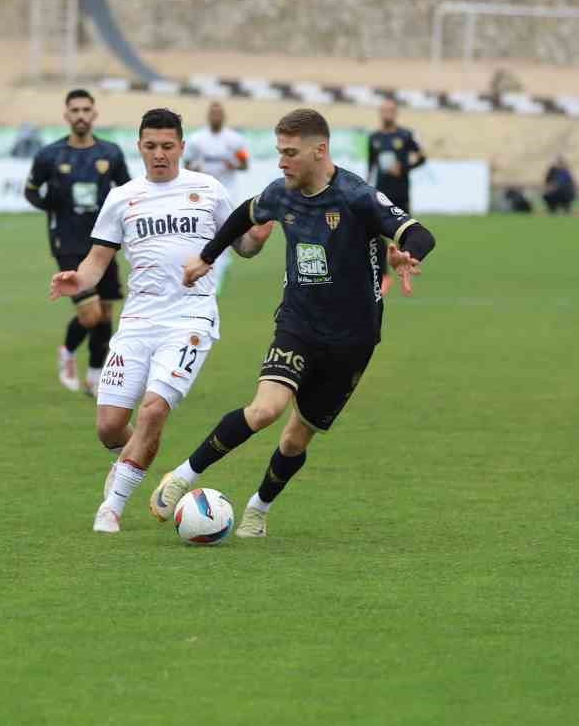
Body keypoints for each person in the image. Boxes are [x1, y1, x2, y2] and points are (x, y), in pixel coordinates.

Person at [151, 108, 437, 538]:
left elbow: (419, 234)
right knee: (265, 409)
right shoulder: (280, 193)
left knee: (294, 441)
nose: (281, 162)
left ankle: (257, 510)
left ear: (319, 151)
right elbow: (244, 216)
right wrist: (206, 258)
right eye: (278, 152)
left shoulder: (357, 196)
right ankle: (182, 476)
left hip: (353, 339)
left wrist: (407, 254)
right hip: (298, 323)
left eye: (289, 153)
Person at [50, 108, 272, 533]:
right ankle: (138, 451)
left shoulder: (208, 190)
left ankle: (110, 509)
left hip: (190, 318)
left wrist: (259, 235)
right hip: (137, 321)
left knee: (152, 411)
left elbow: (242, 245)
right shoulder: (123, 198)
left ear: (182, 148)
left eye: (168, 146)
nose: (159, 155)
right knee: (110, 427)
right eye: (151, 146)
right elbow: (97, 261)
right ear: (139, 148)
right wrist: (78, 279)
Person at [25, 89, 133, 394]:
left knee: (106, 313)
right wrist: (50, 203)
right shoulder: (50, 155)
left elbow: (128, 192)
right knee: (91, 313)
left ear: (95, 114)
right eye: (75, 110)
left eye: (86, 109)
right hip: (68, 242)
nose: (81, 115)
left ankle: (96, 377)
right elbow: (31, 191)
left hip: (104, 242)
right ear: (66, 115)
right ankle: (68, 352)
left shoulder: (110, 153)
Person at [183, 101, 252, 292]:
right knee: (204, 231)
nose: (216, 116)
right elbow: (187, 164)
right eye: (213, 113)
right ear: (208, 116)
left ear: (224, 116)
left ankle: (220, 269)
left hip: (228, 191)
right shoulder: (197, 139)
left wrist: (235, 165)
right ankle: (207, 266)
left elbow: (245, 164)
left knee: (226, 231)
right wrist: (194, 170)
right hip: (203, 192)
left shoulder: (235, 140)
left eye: (219, 113)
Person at [365, 98, 426, 297]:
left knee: (404, 234)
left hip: (401, 192)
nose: (387, 114)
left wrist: (404, 168)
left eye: (391, 110)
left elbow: (422, 157)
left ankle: (405, 272)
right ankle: (384, 275)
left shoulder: (405, 135)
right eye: (384, 110)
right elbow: (371, 165)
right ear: (380, 113)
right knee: (375, 234)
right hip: (381, 194)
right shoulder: (374, 137)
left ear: (396, 113)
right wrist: (365, 187)